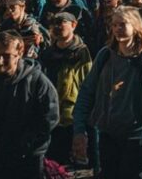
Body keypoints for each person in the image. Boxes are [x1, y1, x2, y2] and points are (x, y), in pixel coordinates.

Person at [72, 6, 142, 178]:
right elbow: (87, 92)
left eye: (122, 24)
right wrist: (79, 129)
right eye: (114, 25)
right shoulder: (105, 55)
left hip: (136, 140)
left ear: (135, 26)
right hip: (107, 136)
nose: (117, 29)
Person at [0, 30, 59, 178]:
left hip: (27, 158)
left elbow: (48, 121)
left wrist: (19, 146)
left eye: (6, 56)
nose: (0, 61)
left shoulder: (37, 82)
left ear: (20, 53)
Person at [39, 11, 93, 167]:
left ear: (73, 25)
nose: (57, 26)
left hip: (71, 115)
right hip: (50, 114)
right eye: (55, 23)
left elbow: (87, 82)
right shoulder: (48, 53)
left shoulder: (81, 52)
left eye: (62, 22)